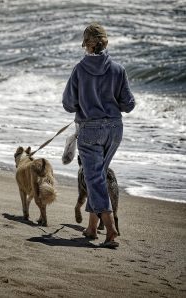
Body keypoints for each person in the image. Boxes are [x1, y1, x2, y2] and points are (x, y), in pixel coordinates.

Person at [62, 22, 135, 248]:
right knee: (98, 176)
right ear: (105, 42)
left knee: (94, 178)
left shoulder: (79, 69)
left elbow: (68, 104)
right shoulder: (118, 69)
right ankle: (92, 227)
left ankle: (111, 230)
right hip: (114, 129)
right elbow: (129, 104)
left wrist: (86, 101)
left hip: (90, 129)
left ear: (87, 44)